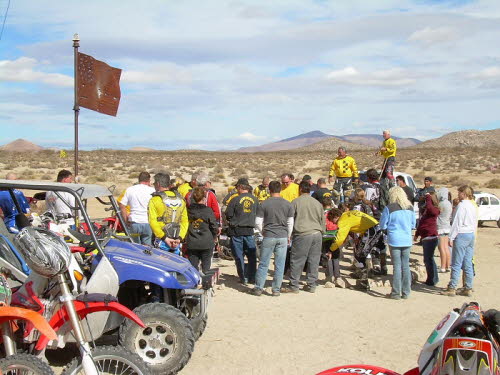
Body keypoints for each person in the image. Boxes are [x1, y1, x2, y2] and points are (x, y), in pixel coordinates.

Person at [251, 181, 294, 296]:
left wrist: (263, 232)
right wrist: (288, 235)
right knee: (279, 264)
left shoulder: (264, 204)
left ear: (269, 190)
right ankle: (276, 290)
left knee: (264, 263)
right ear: (280, 190)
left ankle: (259, 287)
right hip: (283, 236)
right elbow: (290, 223)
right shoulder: (288, 204)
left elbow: (258, 222)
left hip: (269, 235)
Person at [283, 181, 325, 293]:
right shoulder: (317, 203)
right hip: (317, 233)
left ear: (300, 189)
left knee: (297, 260)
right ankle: (311, 285)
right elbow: (322, 220)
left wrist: (289, 234)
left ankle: (294, 285)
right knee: (314, 260)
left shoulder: (295, 202)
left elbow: (290, 220)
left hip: (303, 233)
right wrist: (322, 232)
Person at [379, 187, 416, 300]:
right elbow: (413, 224)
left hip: (394, 239)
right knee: (405, 266)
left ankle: (395, 293)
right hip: (406, 239)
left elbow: (383, 225)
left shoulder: (389, 208)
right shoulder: (410, 208)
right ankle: (406, 292)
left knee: (397, 266)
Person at [443, 185, 478, 297]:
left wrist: (451, 237)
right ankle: (468, 287)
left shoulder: (461, 206)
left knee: (456, 263)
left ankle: (452, 287)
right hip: (470, 234)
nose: (458, 195)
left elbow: (456, 222)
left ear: (464, 193)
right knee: (467, 262)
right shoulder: (473, 205)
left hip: (461, 234)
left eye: (459, 192)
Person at [225, 180, 258, 285]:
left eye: (237, 187)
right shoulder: (255, 199)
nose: (236, 190)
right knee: (252, 256)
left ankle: (243, 277)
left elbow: (228, 214)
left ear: (240, 187)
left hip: (237, 231)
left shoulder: (235, 199)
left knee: (239, 256)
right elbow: (259, 214)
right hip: (249, 231)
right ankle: (252, 277)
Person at [148, 172, 188, 255]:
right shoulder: (181, 200)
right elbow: (184, 221)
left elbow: (153, 221)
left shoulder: (154, 200)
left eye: (154, 183)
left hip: (161, 240)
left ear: (158, 184)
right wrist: (180, 238)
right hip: (176, 241)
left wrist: (164, 238)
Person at [186, 187, 218, 273]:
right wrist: (214, 236)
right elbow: (214, 226)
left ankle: (195, 284)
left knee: (193, 268)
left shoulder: (188, 210)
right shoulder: (208, 211)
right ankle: (206, 284)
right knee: (206, 268)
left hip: (192, 242)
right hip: (206, 242)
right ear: (204, 198)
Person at [118, 171, 155, 245]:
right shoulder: (153, 191)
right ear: (148, 180)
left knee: (134, 247)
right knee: (147, 248)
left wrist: (125, 220)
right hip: (147, 222)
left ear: (139, 180)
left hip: (134, 222)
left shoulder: (130, 190)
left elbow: (121, 204)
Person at [414, 191, 440, 287]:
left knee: (428, 259)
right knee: (428, 259)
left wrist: (428, 196)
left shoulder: (434, 210)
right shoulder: (427, 211)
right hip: (426, 237)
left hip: (431, 237)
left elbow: (430, 208)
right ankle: (432, 278)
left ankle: (432, 279)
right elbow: (421, 223)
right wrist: (417, 234)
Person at [437, 187, 452, 273]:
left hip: (441, 227)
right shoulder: (449, 203)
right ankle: (447, 265)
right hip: (447, 226)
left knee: (441, 247)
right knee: (446, 247)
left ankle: (442, 267)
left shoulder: (441, 204)